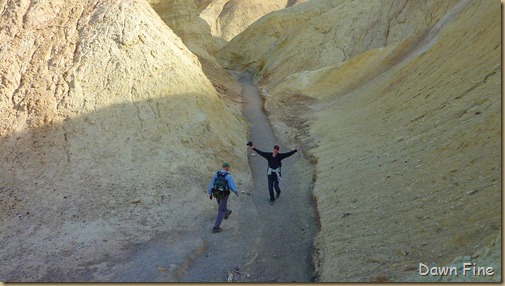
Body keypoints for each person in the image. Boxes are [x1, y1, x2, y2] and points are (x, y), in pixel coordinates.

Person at [208, 162, 238, 233]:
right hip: (224, 194)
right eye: (228, 168)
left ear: (222, 167)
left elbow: (212, 183)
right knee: (221, 209)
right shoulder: (228, 176)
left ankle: (226, 212)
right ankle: (216, 227)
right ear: (227, 168)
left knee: (221, 204)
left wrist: (210, 193)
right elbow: (231, 186)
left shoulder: (217, 174)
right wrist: (236, 192)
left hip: (216, 193)